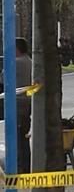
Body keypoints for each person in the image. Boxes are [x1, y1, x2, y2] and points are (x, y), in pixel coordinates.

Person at [15, 38, 32, 173]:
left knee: (18, 138)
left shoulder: (16, 63)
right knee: (23, 137)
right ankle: (24, 164)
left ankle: (20, 166)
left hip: (18, 105)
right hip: (26, 105)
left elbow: (4, 78)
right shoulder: (30, 61)